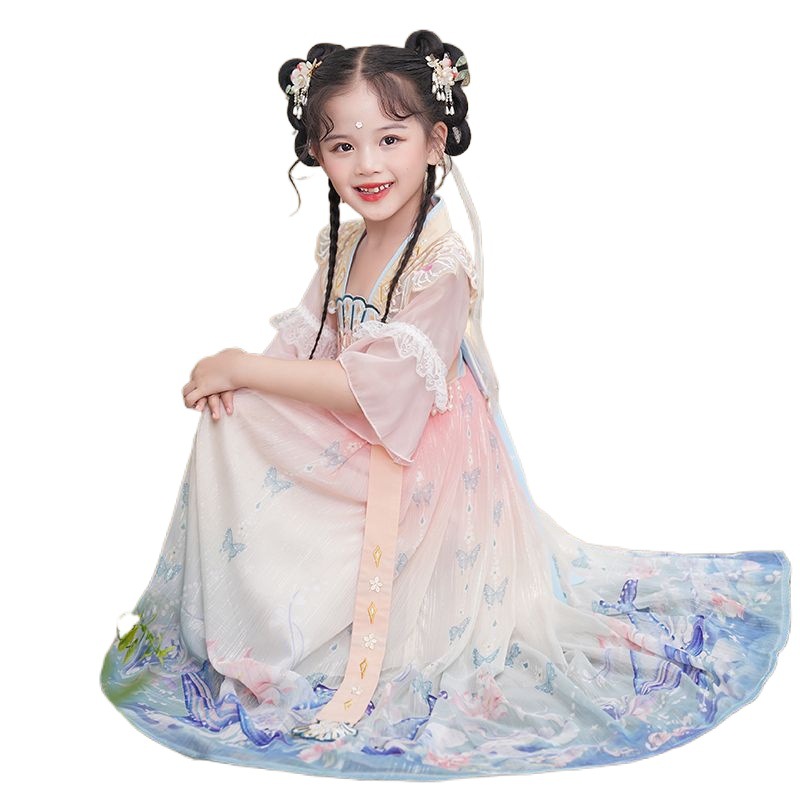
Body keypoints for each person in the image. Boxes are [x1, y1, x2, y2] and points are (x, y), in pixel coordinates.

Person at [99, 30, 791, 780]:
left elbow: (375, 389)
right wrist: (242, 383)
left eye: (390, 139)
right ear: (317, 154)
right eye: (342, 146)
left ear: (434, 142)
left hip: (423, 456)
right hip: (368, 425)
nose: (368, 165)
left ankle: (337, 616)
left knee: (250, 395)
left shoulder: (442, 265)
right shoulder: (343, 247)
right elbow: (307, 347)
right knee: (233, 416)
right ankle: (262, 609)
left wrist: (240, 366)